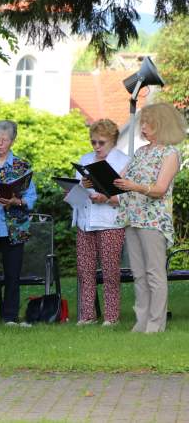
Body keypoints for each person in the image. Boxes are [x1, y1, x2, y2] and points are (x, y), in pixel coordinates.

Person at [114, 102, 187, 333]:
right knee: (138, 274)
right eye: (142, 123)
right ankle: (141, 322)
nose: (142, 127)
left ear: (161, 125)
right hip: (132, 218)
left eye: (148, 123)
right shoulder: (140, 152)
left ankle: (156, 324)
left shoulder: (170, 153)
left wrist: (134, 186)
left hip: (154, 221)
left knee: (155, 273)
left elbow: (160, 189)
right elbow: (117, 181)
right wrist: (94, 182)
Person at [0, 120, 38, 326]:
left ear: (12, 140)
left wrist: (15, 201)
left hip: (15, 228)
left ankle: (10, 316)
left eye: (4, 139)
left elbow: (31, 198)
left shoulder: (23, 166)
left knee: (12, 275)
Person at [72, 119, 130, 326]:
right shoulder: (85, 159)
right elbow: (77, 195)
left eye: (101, 142)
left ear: (113, 141)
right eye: (93, 142)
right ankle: (88, 315)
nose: (96, 147)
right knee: (85, 269)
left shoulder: (123, 161)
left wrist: (107, 197)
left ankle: (111, 317)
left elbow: (128, 198)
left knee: (110, 271)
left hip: (110, 223)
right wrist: (77, 187)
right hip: (85, 222)